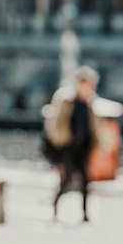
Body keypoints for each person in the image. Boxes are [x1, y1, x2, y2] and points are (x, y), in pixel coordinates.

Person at [42, 65, 101, 222]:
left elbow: (93, 125)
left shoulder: (90, 101)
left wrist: (97, 142)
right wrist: (58, 144)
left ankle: (84, 213)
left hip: (82, 146)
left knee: (85, 180)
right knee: (66, 180)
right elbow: (54, 124)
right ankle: (55, 207)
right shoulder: (65, 98)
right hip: (66, 146)